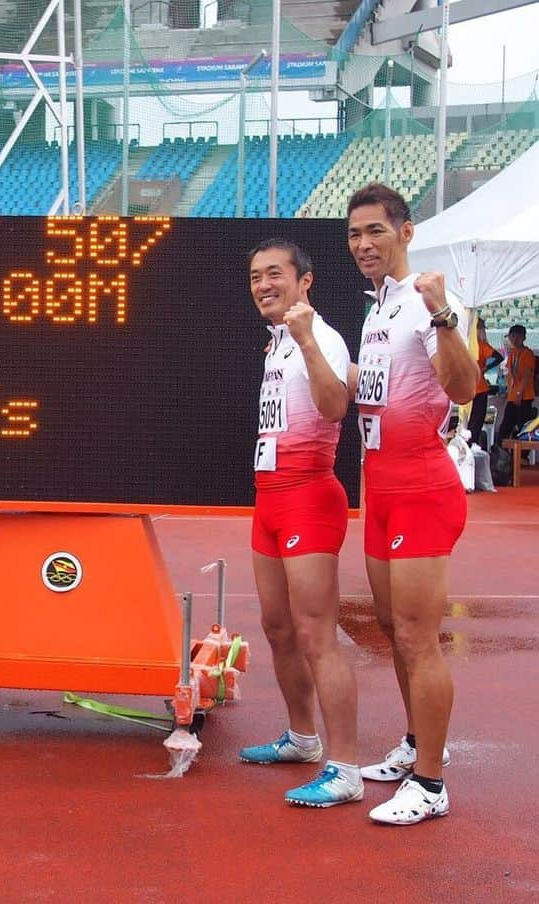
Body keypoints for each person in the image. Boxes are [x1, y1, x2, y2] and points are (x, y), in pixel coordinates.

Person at [347, 183, 478, 825]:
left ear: (405, 232)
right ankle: (415, 744)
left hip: (424, 487)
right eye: (354, 234)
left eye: (375, 230)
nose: (364, 244)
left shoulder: (428, 301)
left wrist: (445, 314)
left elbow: (463, 386)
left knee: (418, 638)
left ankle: (431, 782)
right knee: (393, 633)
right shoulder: (376, 310)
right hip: (384, 491)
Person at [238, 239, 361, 808]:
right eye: (257, 276)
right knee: (278, 628)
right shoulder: (276, 343)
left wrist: (309, 339)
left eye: (275, 274)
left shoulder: (322, 338)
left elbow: (335, 406)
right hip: (269, 501)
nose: (264, 284)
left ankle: (346, 768)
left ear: (304, 281)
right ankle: (302, 738)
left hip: (309, 497)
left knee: (317, 634)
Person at [465, 318, 502, 451]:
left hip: (466, 388)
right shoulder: (480, 345)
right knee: (476, 420)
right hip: (479, 388)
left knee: (468, 420)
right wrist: (485, 368)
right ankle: (471, 444)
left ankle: (468, 445)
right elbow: (499, 357)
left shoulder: (465, 344)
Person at [496, 324, 535, 445]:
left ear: (522, 337)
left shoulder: (527, 354)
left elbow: (526, 375)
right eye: (511, 336)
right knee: (506, 426)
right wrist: (509, 391)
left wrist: (519, 393)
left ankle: (523, 456)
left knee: (523, 427)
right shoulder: (512, 353)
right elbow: (510, 375)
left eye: (514, 336)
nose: (512, 339)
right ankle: (501, 451)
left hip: (524, 396)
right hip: (512, 396)